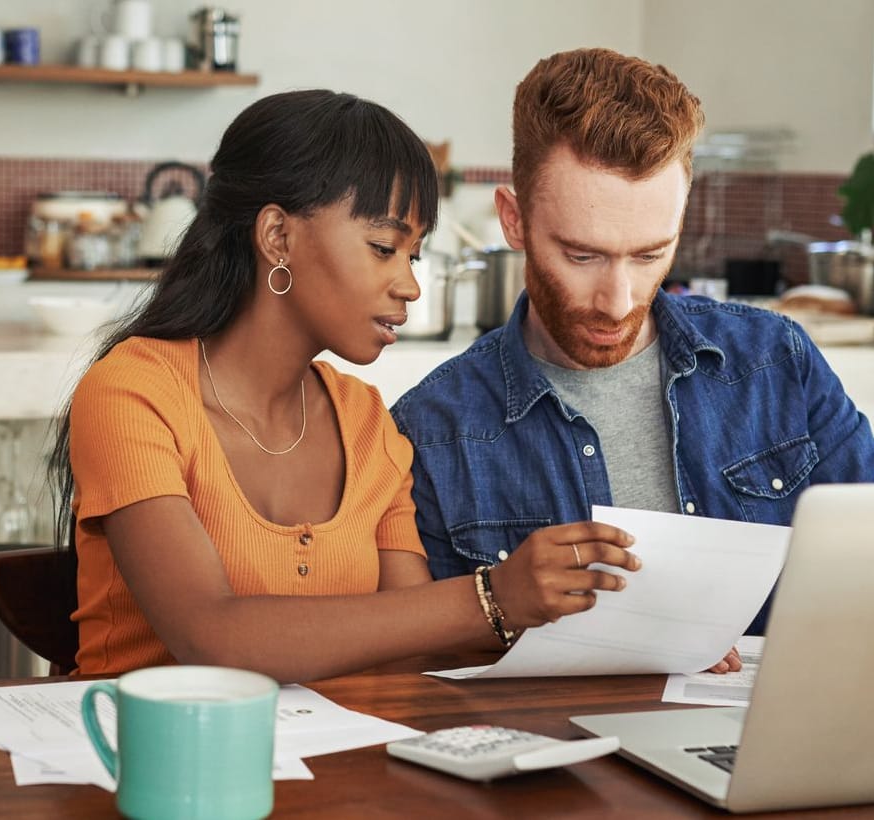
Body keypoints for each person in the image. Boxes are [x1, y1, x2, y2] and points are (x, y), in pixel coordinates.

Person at [47, 89, 642, 682]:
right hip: (148, 762)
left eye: (413, 254)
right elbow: (211, 637)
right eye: (384, 248)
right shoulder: (134, 392)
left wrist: (636, 642)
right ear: (278, 237)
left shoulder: (365, 420)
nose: (408, 284)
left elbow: (414, 647)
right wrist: (493, 596)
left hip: (336, 766)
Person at [390, 49, 874, 639]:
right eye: (581, 255)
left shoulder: (775, 360)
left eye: (649, 255)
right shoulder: (430, 429)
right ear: (513, 220)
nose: (617, 299)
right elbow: (428, 667)